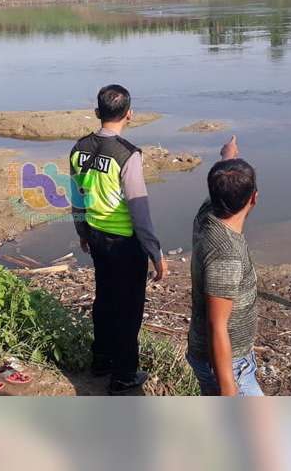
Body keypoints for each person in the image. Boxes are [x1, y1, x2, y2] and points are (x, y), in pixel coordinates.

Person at [69, 84, 167, 395]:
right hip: (125, 243)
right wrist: (155, 253)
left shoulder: (79, 148)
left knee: (105, 299)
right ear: (129, 114)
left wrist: (82, 232)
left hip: (96, 237)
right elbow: (139, 210)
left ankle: (101, 360)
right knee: (128, 309)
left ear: (97, 112)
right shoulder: (127, 154)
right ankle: (123, 375)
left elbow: (77, 197)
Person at [186, 135, 265, 396]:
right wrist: (228, 387)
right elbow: (216, 325)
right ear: (254, 198)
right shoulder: (226, 254)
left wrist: (228, 156)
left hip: (228, 358)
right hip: (228, 365)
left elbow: (222, 182)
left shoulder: (208, 213)